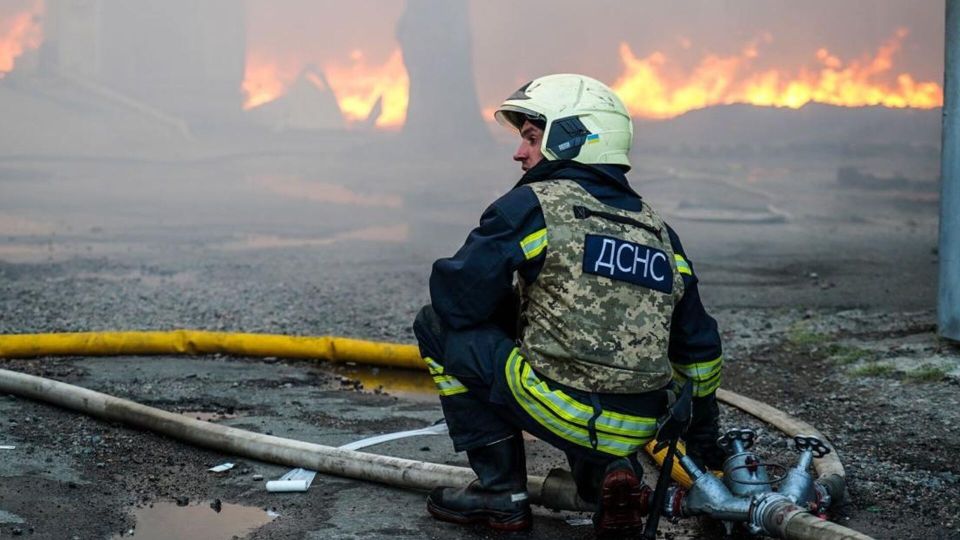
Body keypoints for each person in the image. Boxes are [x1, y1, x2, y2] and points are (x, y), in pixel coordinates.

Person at [412, 73, 725, 536]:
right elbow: (700, 353)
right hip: (638, 427)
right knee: (584, 349)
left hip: (564, 410)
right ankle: (611, 479)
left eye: (532, 138)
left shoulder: (533, 207)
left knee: (436, 325)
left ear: (573, 136)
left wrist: (509, 311)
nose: (520, 153)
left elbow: (457, 301)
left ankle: (501, 493)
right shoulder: (659, 232)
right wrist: (704, 455)